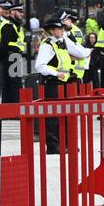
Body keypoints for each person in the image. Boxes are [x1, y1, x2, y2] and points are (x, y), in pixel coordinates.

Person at [33, 17, 76, 154]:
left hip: (63, 83)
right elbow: (40, 66)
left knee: (63, 114)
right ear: (52, 30)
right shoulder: (48, 45)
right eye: (59, 29)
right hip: (52, 83)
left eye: (63, 28)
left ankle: (65, 143)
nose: (62, 31)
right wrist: (56, 73)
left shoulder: (60, 43)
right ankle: (53, 146)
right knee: (52, 116)